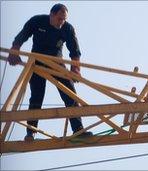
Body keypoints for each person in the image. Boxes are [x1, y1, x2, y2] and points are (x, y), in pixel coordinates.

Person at [7, 3, 93, 141]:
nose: (61, 22)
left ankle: (78, 130)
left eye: (64, 19)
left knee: (70, 93)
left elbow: (74, 51)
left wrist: (75, 70)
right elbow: (22, 36)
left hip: (56, 63)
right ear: (51, 15)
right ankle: (30, 132)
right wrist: (14, 50)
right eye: (59, 19)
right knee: (36, 96)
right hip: (36, 62)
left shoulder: (67, 28)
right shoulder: (37, 21)